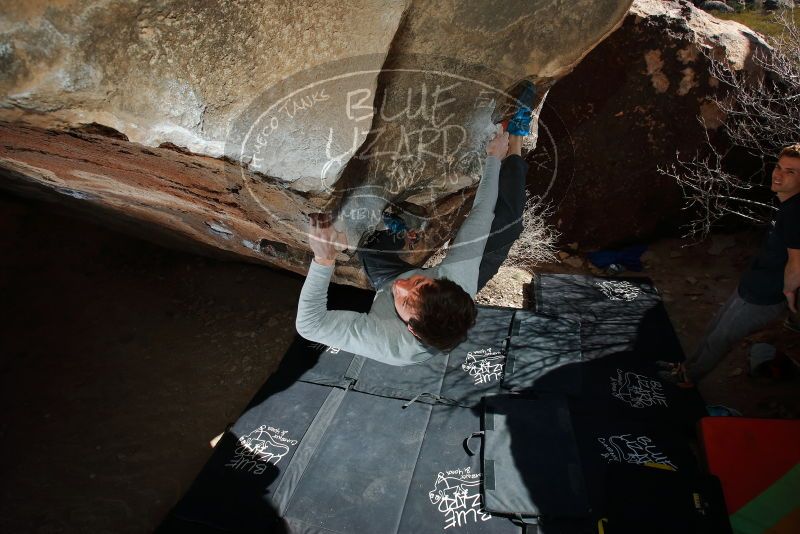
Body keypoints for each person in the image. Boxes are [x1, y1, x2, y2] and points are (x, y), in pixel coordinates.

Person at [295, 83, 535, 365]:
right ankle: (518, 135)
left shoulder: (388, 342)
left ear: (410, 328)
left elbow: (309, 325)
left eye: (407, 302)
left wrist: (324, 261)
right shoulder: (458, 277)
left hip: (404, 304)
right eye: (419, 282)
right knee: (508, 222)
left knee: (370, 249)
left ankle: (399, 229)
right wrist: (495, 157)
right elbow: (483, 211)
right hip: (464, 276)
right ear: (441, 280)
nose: (402, 287)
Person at [661, 144, 800, 385]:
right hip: (753, 283)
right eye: (778, 167)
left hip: (765, 295)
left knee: (722, 337)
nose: (778, 175)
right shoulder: (786, 206)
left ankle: (688, 378)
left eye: (791, 172)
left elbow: (797, 263)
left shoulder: (796, 214)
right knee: (714, 329)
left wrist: (789, 293)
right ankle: (685, 367)